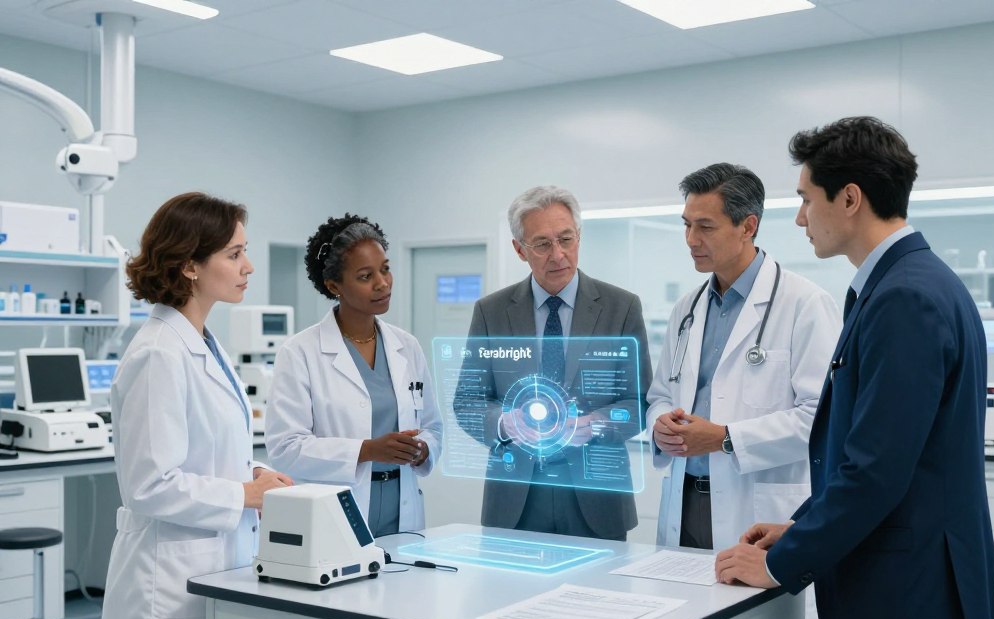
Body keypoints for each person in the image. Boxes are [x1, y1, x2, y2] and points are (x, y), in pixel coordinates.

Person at [715, 116, 994, 619]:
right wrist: (800, 525)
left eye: (806, 199)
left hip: (906, 590)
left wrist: (782, 563)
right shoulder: (911, 283)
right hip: (914, 578)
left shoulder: (904, 299)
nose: (801, 218)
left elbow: (876, 469)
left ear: (849, 198)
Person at [100, 193, 293, 619]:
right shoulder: (158, 353)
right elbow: (150, 485)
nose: (248, 266)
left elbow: (204, 451)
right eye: (234, 254)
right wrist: (245, 493)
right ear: (189, 265)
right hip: (165, 580)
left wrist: (254, 474)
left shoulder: (205, 344)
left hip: (214, 561)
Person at [648, 162, 840, 552]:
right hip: (684, 501)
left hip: (756, 509)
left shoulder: (805, 304)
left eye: (705, 226)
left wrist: (724, 439)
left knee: (749, 612)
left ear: (748, 226)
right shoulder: (687, 308)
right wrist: (659, 425)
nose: (691, 239)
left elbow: (821, 419)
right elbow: (660, 396)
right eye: (686, 225)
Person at [463, 185, 652, 541]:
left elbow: (640, 400)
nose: (558, 254)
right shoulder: (491, 312)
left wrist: (596, 423)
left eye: (566, 239)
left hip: (596, 497)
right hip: (516, 495)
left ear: (579, 236)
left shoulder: (621, 307)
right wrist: (504, 423)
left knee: (598, 597)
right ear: (520, 249)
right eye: (542, 244)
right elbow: (468, 401)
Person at [265, 214, 442, 537]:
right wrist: (367, 450)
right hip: (336, 512)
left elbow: (432, 425)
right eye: (365, 276)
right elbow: (285, 449)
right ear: (334, 286)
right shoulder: (301, 352)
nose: (382, 283)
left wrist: (423, 449)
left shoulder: (407, 346)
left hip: (402, 510)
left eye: (385, 269)